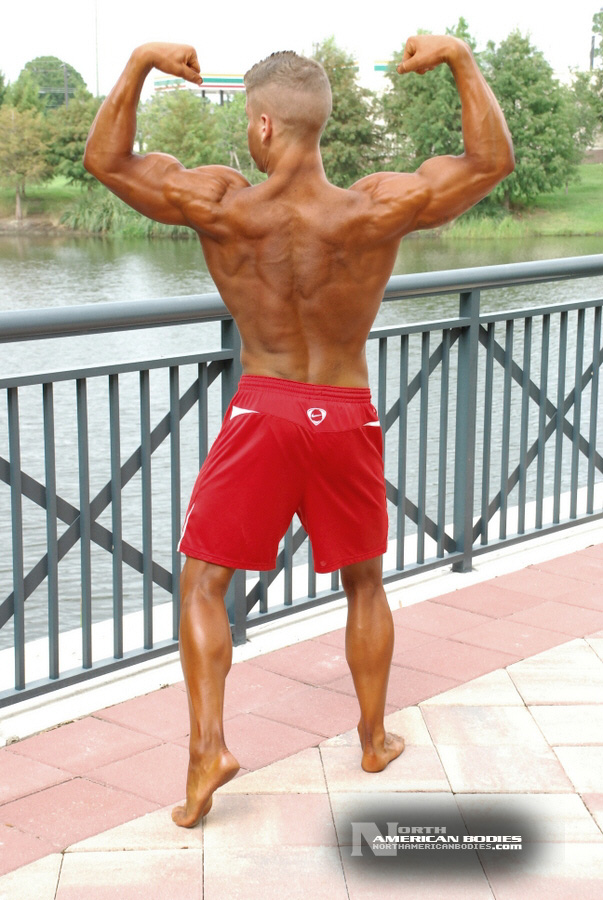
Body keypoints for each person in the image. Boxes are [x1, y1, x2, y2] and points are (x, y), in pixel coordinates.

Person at [84, 34, 514, 828]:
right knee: (364, 581)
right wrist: (457, 57)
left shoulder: (222, 204)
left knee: (204, 585)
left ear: (263, 125)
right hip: (345, 413)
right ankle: (374, 738)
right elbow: (490, 162)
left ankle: (207, 751)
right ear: (318, 123)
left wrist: (141, 61)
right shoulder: (373, 206)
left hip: (265, 409)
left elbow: (107, 161)